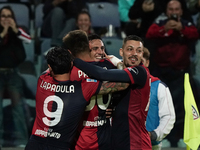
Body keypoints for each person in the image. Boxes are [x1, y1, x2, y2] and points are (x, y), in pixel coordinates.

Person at [25, 46, 129, 150]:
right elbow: (124, 84)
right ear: (71, 64)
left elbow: (51, 66)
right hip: (60, 146)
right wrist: (118, 63)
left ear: (50, 67)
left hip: (34, 143)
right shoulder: (83, 88)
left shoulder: (42, 80)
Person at [73, 34, 152, 150]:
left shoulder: (140, 72)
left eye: (139, 51)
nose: (134, 53)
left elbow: (102, 74)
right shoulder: (123, 73)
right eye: (130, 49)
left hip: (136, 143)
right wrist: (112, 108)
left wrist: (74, 61)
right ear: (121, 52)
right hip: (120, 140)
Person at [146, 0, 199, 147]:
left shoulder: (186, 24)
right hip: (162, 73)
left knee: (182, 107)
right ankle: (162, 138)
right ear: (167, 11)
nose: (174, 12)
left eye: (176, 9)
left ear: (181, 11)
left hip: (181, 73)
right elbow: (149, 34)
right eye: (171, 9)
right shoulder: (160, 22)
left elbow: (195, 34)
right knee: (161, 108)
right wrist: (164, 29)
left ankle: (181, 138)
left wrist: (181, 29)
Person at [63, 32, 120, 150]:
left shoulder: (109, 66)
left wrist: (114, 108)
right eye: (95, 48)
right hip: (80, 133)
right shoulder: (72, 69)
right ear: (86, 50)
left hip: (103, 133)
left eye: (102, 48)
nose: (100, 52)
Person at [0, 6, 31, 147]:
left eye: (9, 16)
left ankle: (22, 142)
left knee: (18, 107)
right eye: (3, 16)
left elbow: (28, 40)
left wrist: (14, 31)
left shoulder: (18, 33)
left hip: (12, 73)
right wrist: (3, 33)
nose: (6, 19)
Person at [142, 47, 175, 150]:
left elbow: (169, 116)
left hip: (152, 145)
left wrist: (154, 134)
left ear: (147, 63)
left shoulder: (159, 87)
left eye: (141, 62)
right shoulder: (121, 85)